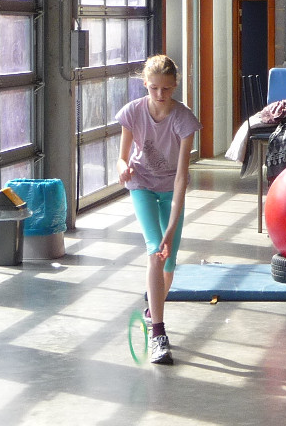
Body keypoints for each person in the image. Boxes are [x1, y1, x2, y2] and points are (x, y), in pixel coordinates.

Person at [116, 54, 201, 365]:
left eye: (166, 89)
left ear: (175, 86)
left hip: (170, 189)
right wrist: (123, 168)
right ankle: (159, 334)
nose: (160, 95)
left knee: (169, 262)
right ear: (145, 86)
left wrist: (172, 227)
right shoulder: (133, 113)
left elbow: (181, 177)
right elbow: (122, 157)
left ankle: (154, 307)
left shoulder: (184, 120)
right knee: (154, 250)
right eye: (153, 88)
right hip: (142, 185)